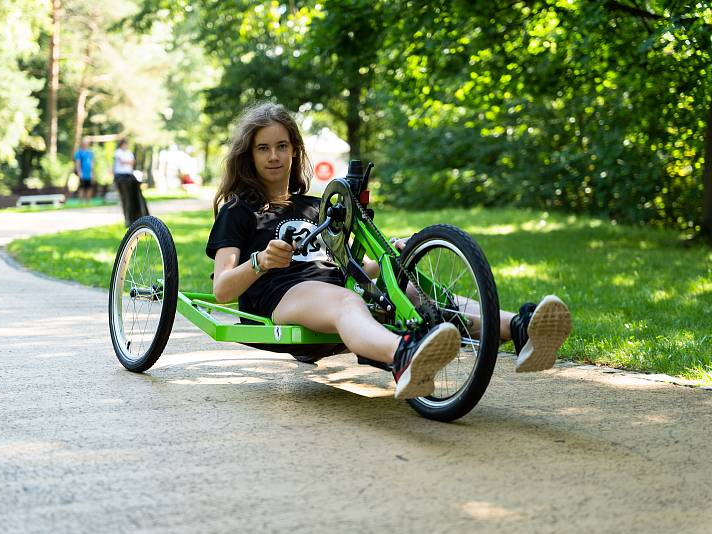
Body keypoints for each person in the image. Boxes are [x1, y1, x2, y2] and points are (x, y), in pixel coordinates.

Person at [206, 103, 572, 399]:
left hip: (335, 285)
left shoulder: (316, 206)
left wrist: (389, 257)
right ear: (249, 156)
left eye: (282, 146)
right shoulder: (239, 211)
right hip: (282, 294)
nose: (274, 156)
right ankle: (405, 355)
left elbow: (350, 266)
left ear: (295, 150)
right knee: (346, 303)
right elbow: (222, 289)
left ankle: (521, 329)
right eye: (263, 148)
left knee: (415, 293)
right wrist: (261, 261)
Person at [113, 139, 149, 226]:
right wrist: (127, 162)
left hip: (129, 176)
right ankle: (128, 219)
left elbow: (132, 162)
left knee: (134, 197)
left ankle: (138, 217)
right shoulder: (118, 152)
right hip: (121, 177)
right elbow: (122, 161)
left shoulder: (129, 153)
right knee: (125, 198)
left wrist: (127, 162)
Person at [73, 138, 94, 204]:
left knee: (89, 187)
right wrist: (79, 172)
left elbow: (92, 163)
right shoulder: (79, 152)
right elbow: (77, 162)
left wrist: (92, 173)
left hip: (89, 173)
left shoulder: (90, 152)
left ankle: (88, 202)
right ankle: (81, 202)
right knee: (82, 187)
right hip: (82, 173)